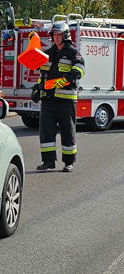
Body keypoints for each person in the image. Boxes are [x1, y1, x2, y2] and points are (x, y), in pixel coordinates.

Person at [32, 21, 85, 172]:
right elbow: (43, 76)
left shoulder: (73, 53)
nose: (56, 37)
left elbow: (80, 69)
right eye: (54, 35)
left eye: (59, 35)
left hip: (66, 102)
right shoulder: (47, 54)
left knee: (68, 132)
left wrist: (65, 79)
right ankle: (48, 161)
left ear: (65, 35)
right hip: (48, 100)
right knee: (46, 132)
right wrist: (37, 89)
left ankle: (69, 162)